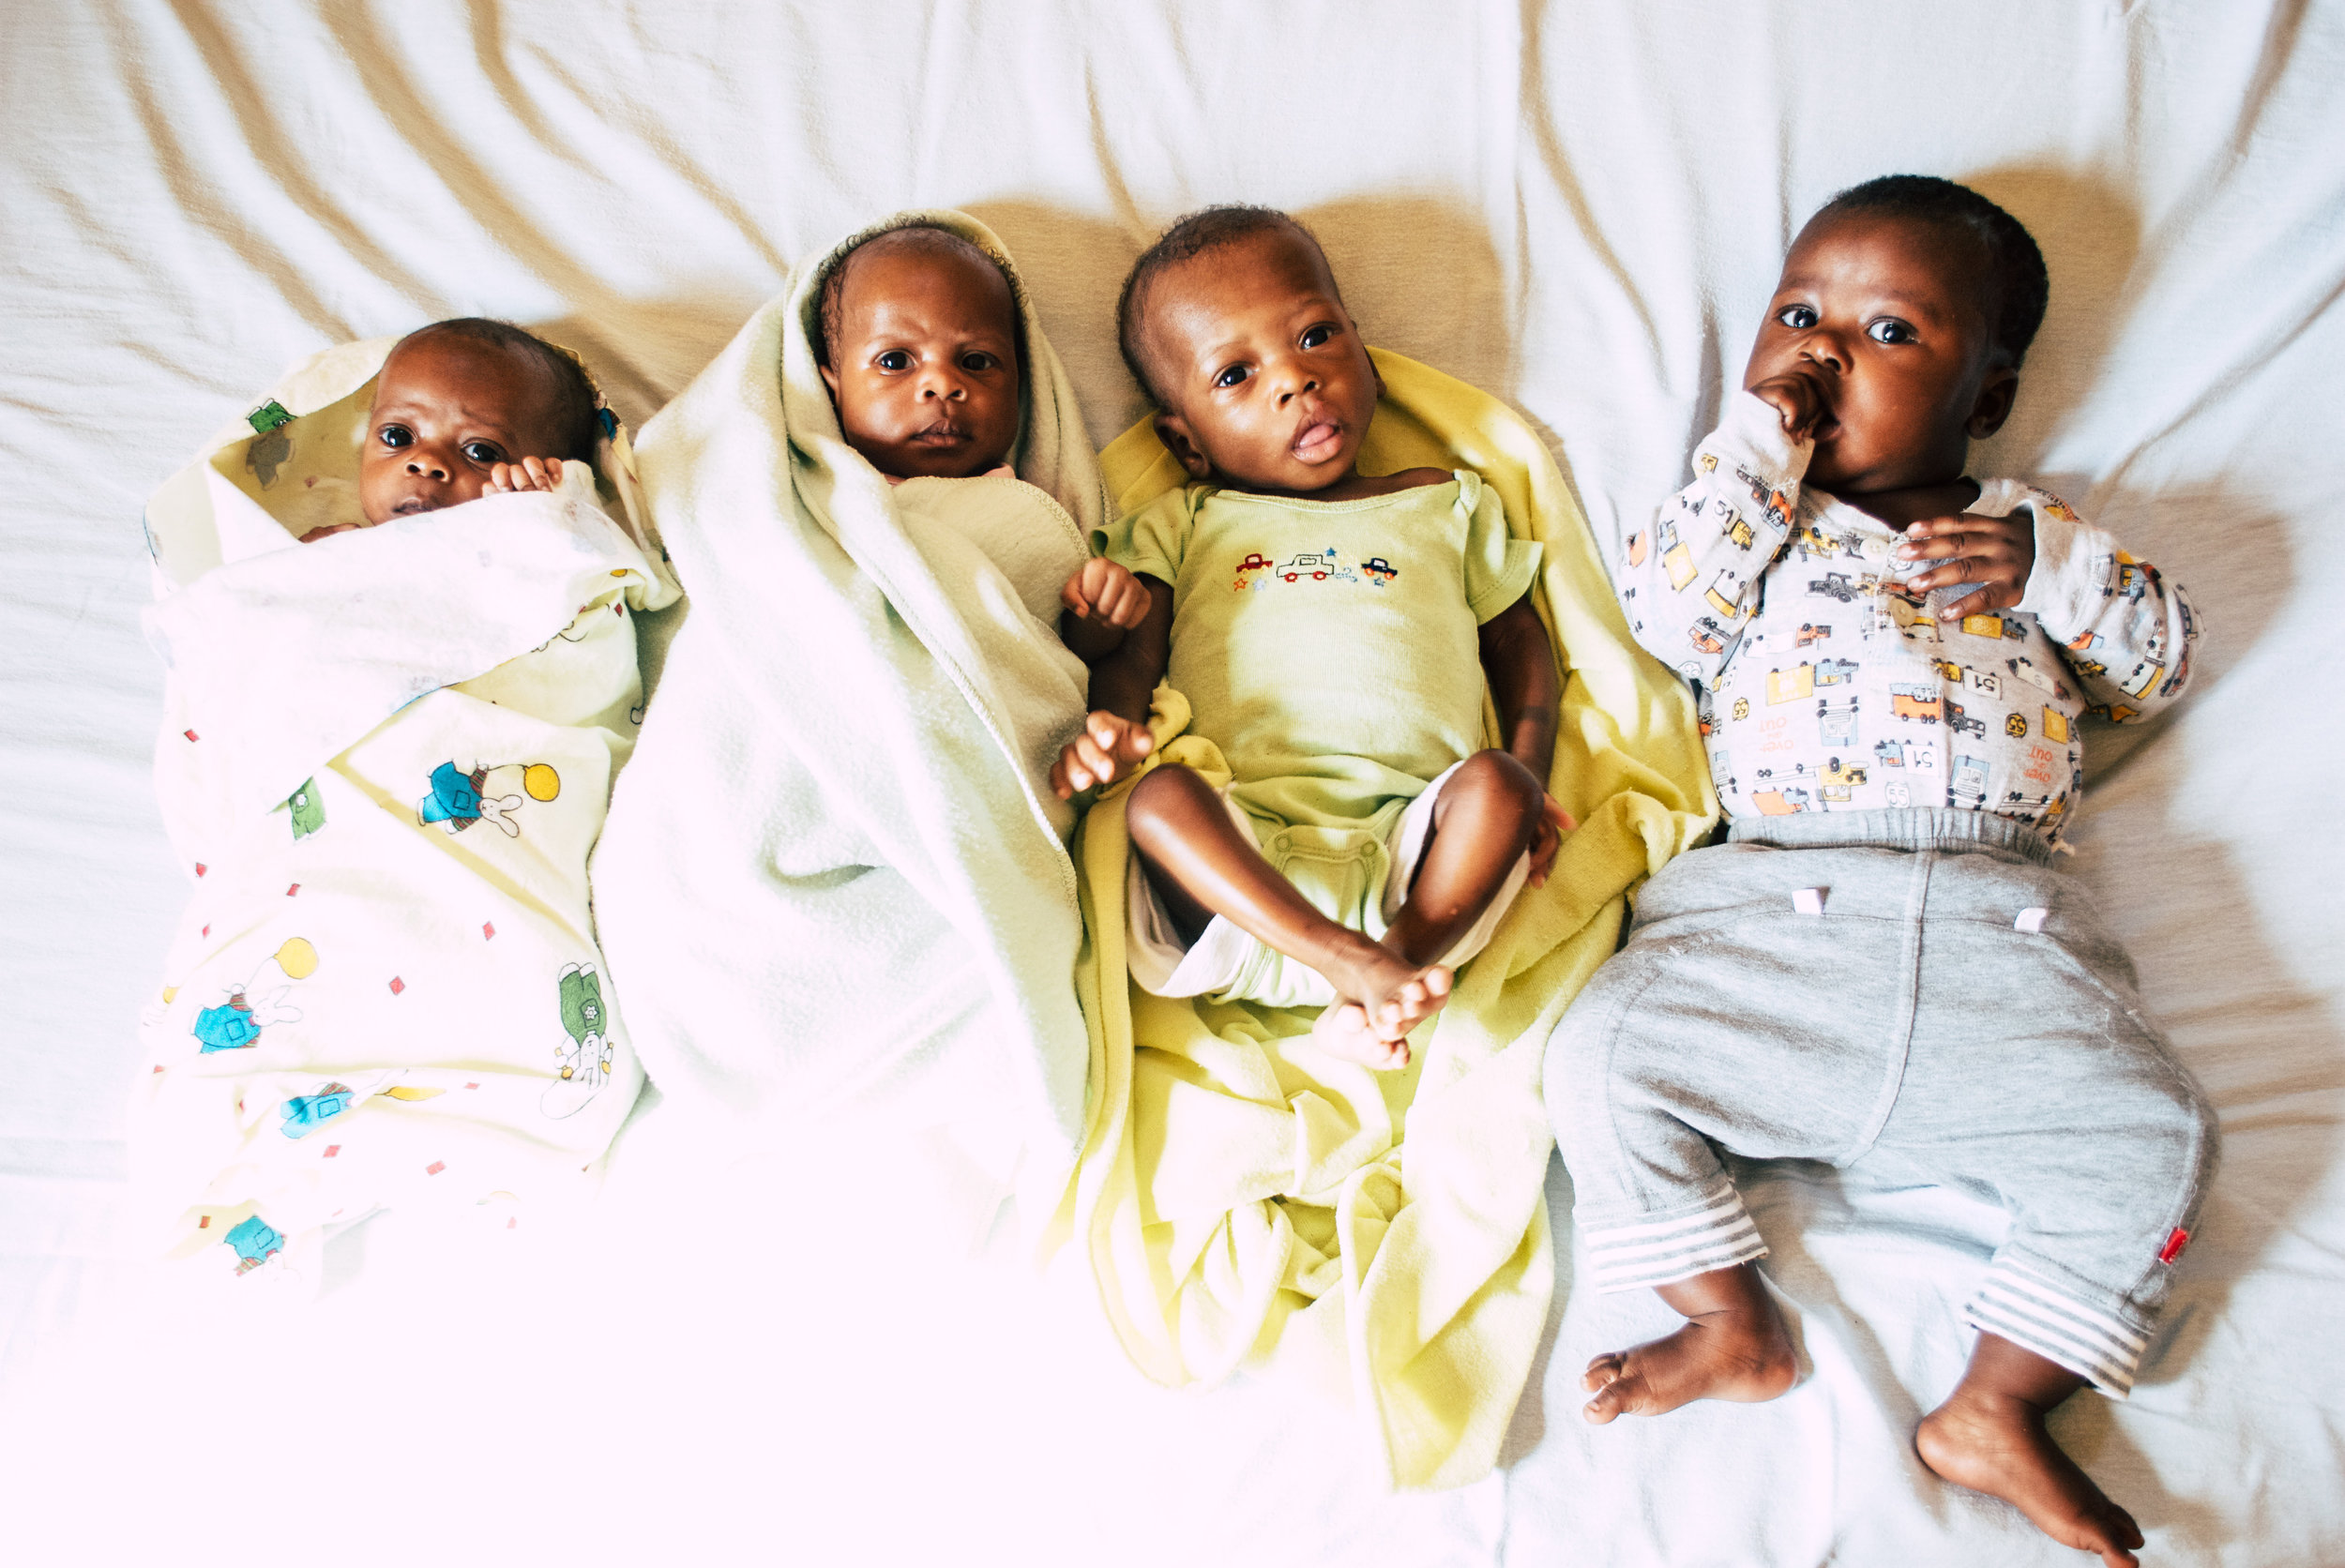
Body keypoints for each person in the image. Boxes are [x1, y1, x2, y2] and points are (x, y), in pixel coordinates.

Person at [1549, 174, 2211, 1568]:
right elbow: (1666, 619)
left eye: (1889, 330)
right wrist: (1749, 455)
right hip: (1776, 925)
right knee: (1599, 1060)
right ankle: (1730, 1318)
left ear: (1984, 398)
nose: (1823, 352)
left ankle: (1997, 1403)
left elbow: (2154, 665)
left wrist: (2047, 569)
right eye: (1798, 315)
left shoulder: (2028, 537)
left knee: (2158, 1136)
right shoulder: (1751, 527)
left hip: (2000, 933)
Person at [1056, 206, 1571, 1068]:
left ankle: (1381, 977)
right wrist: (1107, 707)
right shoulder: (1186, 524)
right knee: (1158, 800)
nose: (1295, 380)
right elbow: (1132, 669)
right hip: (1239, 876)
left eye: (1316, 335)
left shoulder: (1444, 500)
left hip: (1421, 870)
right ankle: (1363, 974)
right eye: (1235, 376)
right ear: (1185, 443)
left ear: (1363, 352)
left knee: (1500, 786)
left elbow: (1523, 652)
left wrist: (1532, 784)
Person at [295, 317, 604, 541]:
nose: (427, 462)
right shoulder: (337, 555)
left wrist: (541, 522)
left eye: (480, 452)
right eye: (398, 437)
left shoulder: (536, 551)